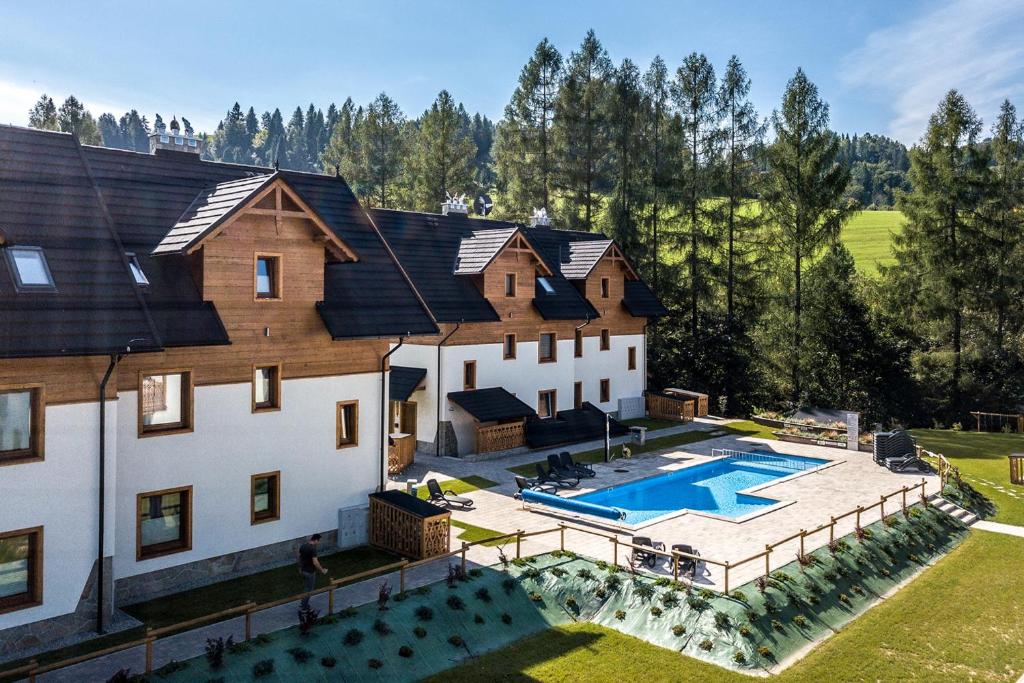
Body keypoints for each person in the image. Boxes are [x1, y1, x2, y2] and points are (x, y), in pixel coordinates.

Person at [298, 533, 328, 609]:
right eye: (319, 541)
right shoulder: (313, 549)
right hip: (310, 572)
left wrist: (300, 568)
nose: (319, 543)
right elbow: (315, 562)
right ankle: (304, 606)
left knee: (306, 587)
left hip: (303, 571)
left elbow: (299, 557)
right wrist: (322, 570)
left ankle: (303, 603)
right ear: (315, 540)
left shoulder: (303, 546)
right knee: (310, 589)